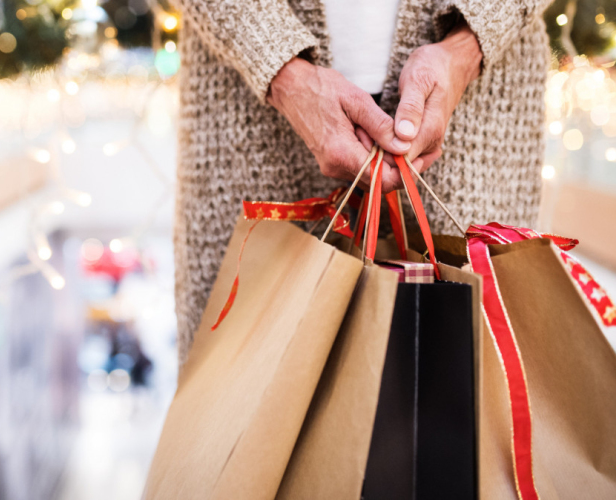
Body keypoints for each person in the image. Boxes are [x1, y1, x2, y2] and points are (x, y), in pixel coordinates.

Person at [173, 0, 552, 363]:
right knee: (246, 386)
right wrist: (277, 65)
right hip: (251, 110)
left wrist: (467, 48)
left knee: (467, 384)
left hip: (476, 105)